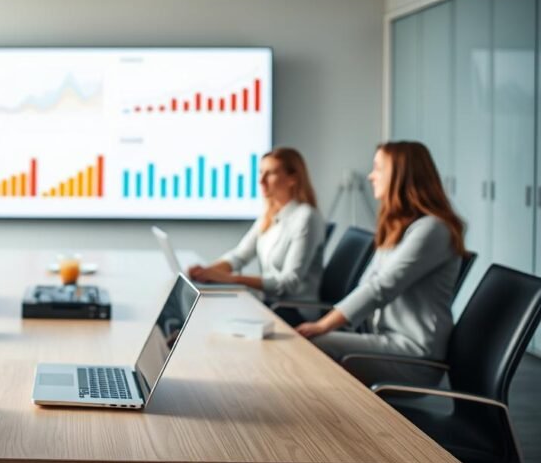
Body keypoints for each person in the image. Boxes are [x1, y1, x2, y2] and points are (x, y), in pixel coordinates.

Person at [296, 141, 464, 386]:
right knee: (312, 344)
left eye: (377, 168)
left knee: (314, 346)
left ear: (401, 175)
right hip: (383, 339)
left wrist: (323, 325)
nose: (370, 175)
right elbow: (369, 283)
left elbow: (381, 287)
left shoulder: (433, 230)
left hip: (414, 355)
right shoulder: (398, 228)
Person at [187, 148, 326, 324]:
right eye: (261, 172)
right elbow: (239, 256)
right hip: (270, 304)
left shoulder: (306, 217)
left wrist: (231, 279)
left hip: (293, 311)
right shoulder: (269, 215)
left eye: (271, 173)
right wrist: (207, 272)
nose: (261, 180)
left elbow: (289, 282)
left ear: (293, 178)